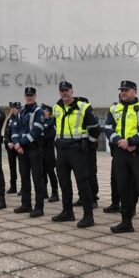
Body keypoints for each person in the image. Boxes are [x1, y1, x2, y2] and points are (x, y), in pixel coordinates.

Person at [105, 80, 139, 241]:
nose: (123, 92)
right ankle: (126, 222)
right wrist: (120, 141)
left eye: (127, 90)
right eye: (121, 90)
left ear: (134, 91)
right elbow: (108, 129)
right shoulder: (114, 109)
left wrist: (131, 141)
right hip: (121, 153)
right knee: (123, 189)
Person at [51, 81, 101, 228]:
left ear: (72, 91)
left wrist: (89, 143)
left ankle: (88, 216)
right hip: (61, 150)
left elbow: (95, 128)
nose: (64, 93)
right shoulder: (56, 107)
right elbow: (56, 126)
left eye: (67, 90)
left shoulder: (83, 107)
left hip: (77, 150)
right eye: (62, 90)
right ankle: (67, 212)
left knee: (82, 182)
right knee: (64, 183)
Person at [11, 87, 46, 217]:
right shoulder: (21, 112)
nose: (29, 97)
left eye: (31, 95)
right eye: (27, 95)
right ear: (24, 96)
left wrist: (21, 143)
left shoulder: (39, 111)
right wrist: (16, 144)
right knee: (24, 177)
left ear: (35, 96)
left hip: (34, 149)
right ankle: (26, 204)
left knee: (37, 179)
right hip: (22, 150)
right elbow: (14, 129)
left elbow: (36, 131)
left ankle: (39, 207)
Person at [40, 104, 59, 202]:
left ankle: (55, 193)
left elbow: (52, 134)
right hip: (41, 150)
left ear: (49, 112)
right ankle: (44, 191)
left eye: (45, 111)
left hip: (49, 149)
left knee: (51, 172)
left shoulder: (52, 121)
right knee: (42, 172)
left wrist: (42, 138)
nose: (43, 112)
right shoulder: (41, 121)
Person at [4, 102, 21, 194]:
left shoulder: (22, 118)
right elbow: (6, 133)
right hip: (10, 147)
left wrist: (17, 143)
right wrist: (8, 142)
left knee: (23, 168)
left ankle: (23, 187)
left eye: (18, 108)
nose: (16, 110)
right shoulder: (9, 119)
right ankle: (13, 187)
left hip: (19, 146)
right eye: (15, 108)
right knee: (12, 167)